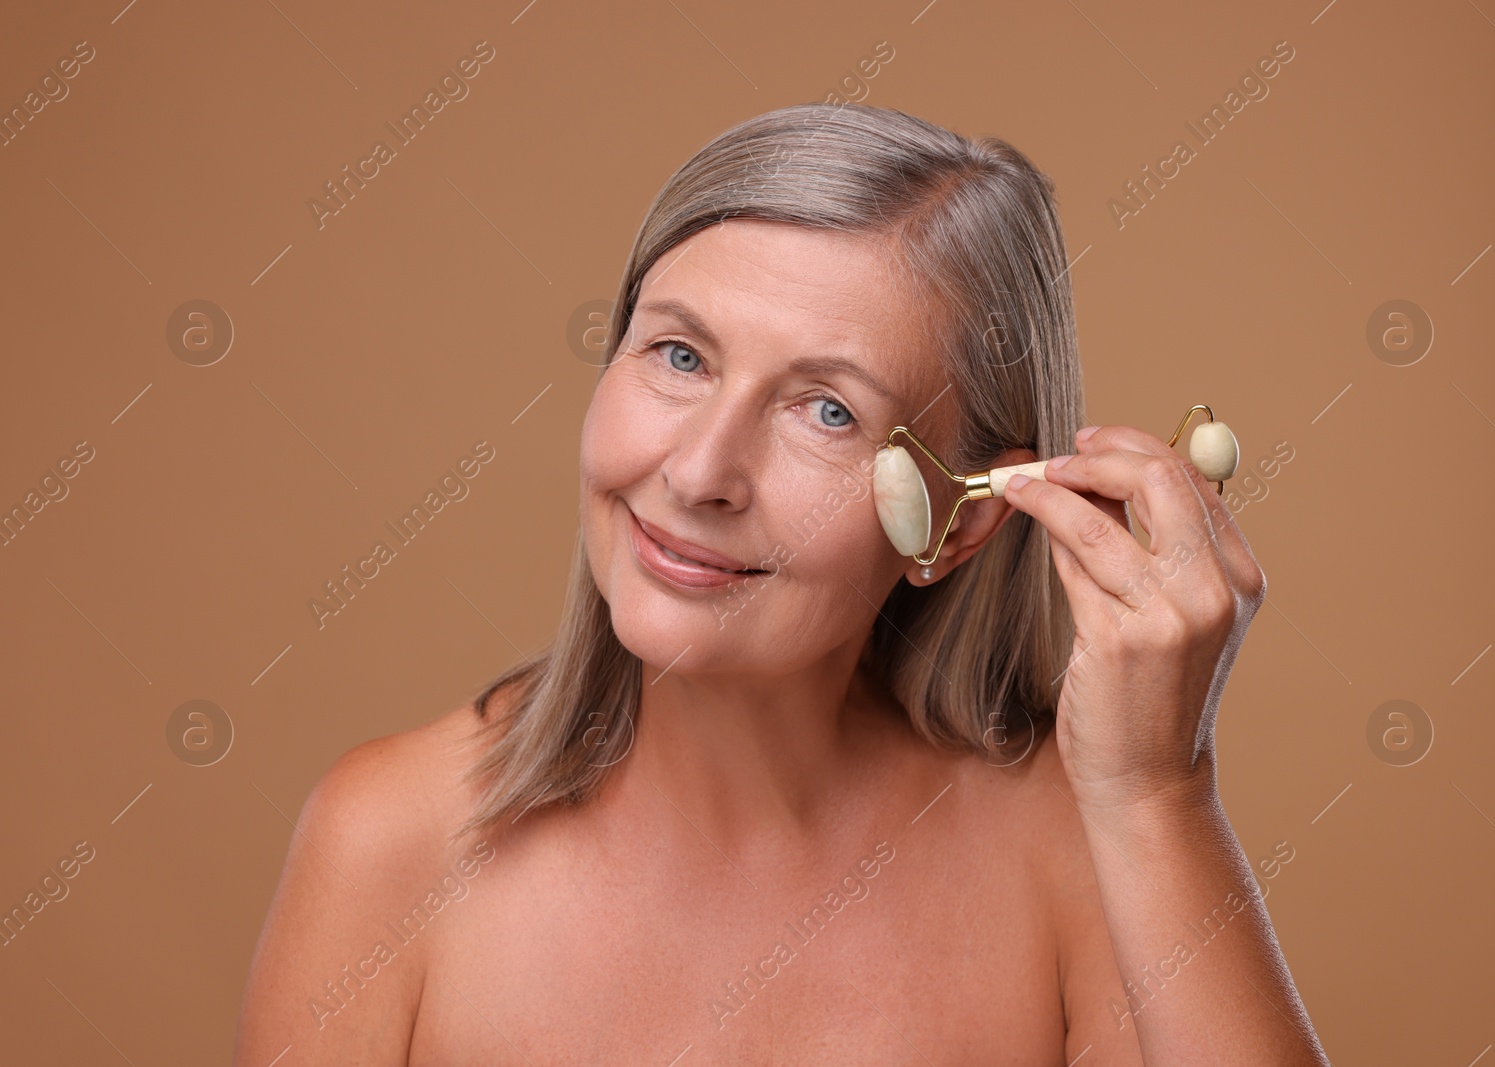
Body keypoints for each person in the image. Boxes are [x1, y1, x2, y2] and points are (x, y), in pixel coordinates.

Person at [233, 102, 1330, 1065]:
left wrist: (1159, 795)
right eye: (678, 355)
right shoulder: (386, 841)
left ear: (961, 520)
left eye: (828, 410)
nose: (700, 471)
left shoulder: (1079, 853)